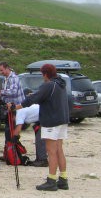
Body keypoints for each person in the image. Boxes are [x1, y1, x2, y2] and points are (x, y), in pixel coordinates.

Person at [15, 63, 70, 191]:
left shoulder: (48, 85)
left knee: (51, 151)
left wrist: (15, 107)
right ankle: (63, 179)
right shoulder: (60, 84)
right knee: (59, 150)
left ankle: (51, 180)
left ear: (45, 74)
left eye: (42, 74)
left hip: (51, 121)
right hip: (62, 120)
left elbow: (32, 99)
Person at [0, 62, 26, 159]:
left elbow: (13, 91)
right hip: (10, 108)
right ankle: (8, 152)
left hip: (16, 109)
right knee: (7, 131)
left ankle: (14, 153)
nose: (1, 72)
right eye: (0, 70)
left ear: (7, 68)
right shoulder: (6, 78)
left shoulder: (14, 78)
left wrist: (0, 92)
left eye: (2, 70)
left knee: (11, 131)